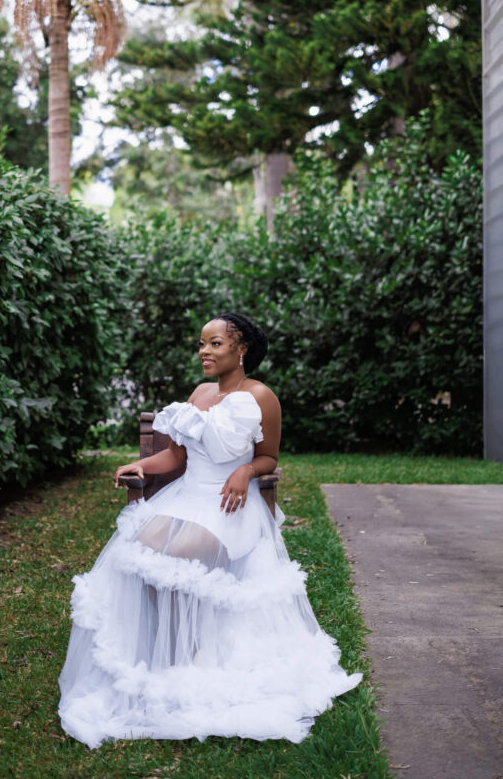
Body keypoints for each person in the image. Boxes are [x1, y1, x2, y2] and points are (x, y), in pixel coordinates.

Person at [58, 312, 362, 748]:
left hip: (229, 506)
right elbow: (176, 459)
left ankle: (193, 659)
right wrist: (142, 464)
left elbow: (269, 458)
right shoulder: (199, 394)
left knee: (178, 557)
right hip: (187, 496)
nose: (204, 351)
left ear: (241, 350)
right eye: (201, 343)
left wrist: (246, 470)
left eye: (215, 343)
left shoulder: (262, 397)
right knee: (137, 552)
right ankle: (160, 656)